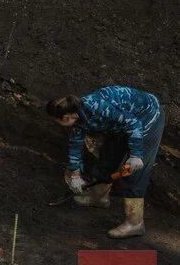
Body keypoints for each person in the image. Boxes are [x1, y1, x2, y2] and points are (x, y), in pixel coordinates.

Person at [46, 87, 165, 238]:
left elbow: (133, 124)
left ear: (67, 117)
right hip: (121, 125)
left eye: (57, 121)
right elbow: (75, 144)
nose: (57, 123)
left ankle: (135, 223)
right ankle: (99, 197)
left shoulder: (97, 108)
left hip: (146, 118)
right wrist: (75, 174)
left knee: (132, 171)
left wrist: (136, 155)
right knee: (108, 158)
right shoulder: (78, 116)